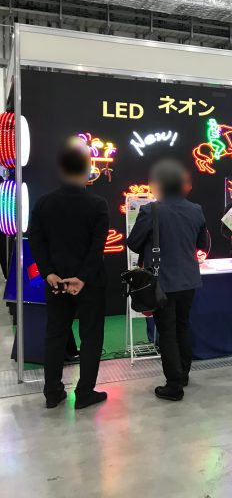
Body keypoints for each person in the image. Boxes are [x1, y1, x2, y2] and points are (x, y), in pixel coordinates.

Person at [28, 139, 109, 410]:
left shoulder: (44, 204)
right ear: (87, 169)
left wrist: (48, 273)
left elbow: (36, 241)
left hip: (56, 282)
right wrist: (82, 277)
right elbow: (97, 247)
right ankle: (84, 393)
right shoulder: (97, 204)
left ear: (61, 170)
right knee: (91, 336)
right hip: (90, 283)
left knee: (56, 335)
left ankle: (52, 392)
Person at [127, 159, 208, 402]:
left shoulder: (151, 211)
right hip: (189, 279)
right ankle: (183, 374)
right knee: (182, 325)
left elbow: (133, 243)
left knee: (167, 331)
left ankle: (174, 385)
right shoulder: (196, 209)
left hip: (161, 281)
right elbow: (202, 243)